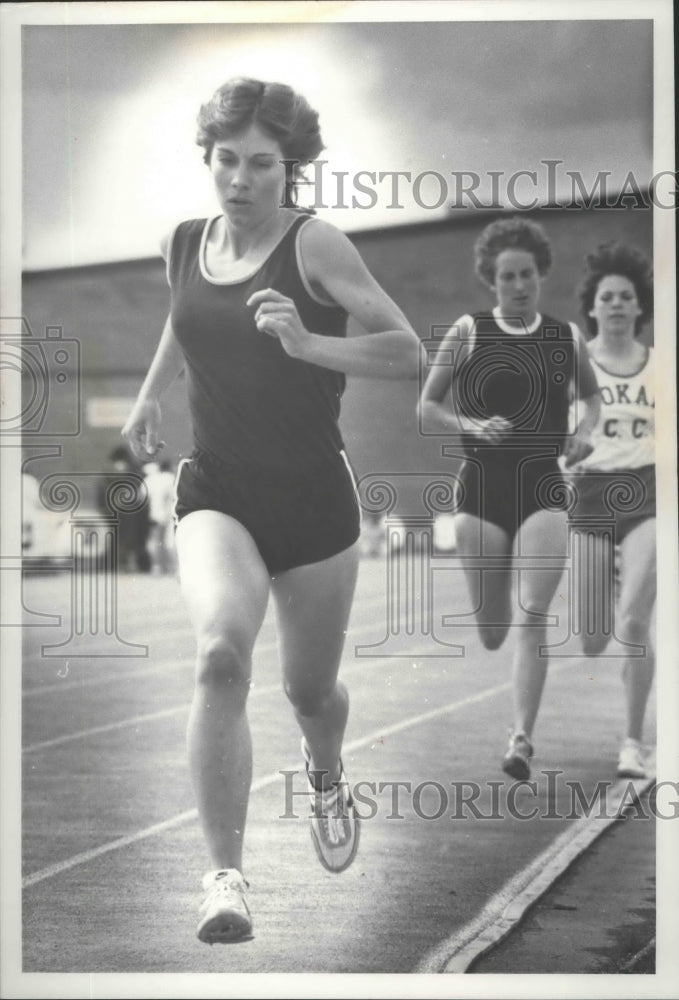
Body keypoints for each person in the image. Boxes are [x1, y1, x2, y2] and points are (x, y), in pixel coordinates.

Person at [122, 77, 420, 945]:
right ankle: (224, 879)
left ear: (291, 170)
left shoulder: (316, 243)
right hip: (217, 488)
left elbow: (406, 349)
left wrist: (307, 342)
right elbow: (185, 320)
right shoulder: (183, 243)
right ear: (206, 159)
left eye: (262, 164)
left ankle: (325, 773)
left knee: (308, 690)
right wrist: (147, 399)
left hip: (314, 499)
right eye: (227, 161)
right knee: (219, 656)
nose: (241, 179)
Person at [418, 217, 600, 781]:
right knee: (493, 630)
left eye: (527, 275)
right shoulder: (469, 331)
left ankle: (522, 738)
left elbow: (591, 402)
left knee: (533, 614)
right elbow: (426, 407)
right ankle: (497, 643)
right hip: (480, 488)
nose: (518, 285)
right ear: (491, 281)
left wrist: (585, 431)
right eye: (507, 277)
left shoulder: (564, 337)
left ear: (541, 274)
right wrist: (469, 422)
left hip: (543, 483)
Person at [567, 242, 655, 779]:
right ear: (593, 308)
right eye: (608, 297)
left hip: (646, 495)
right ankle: (612, 579)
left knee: (634, 621)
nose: (618, 304)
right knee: (594, 636)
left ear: (639, 306)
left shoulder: (659, 365)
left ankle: (632, 742)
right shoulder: (578, 364)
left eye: (626, 296)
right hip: (592, 495)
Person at [143, 458, 176, 574]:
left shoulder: (151, 479)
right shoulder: (172, 478)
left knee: (155, 540)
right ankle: (171, 567)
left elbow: (142, 497)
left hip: (155, 514)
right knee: (169, 541)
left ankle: (157, 566)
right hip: (172, 515)